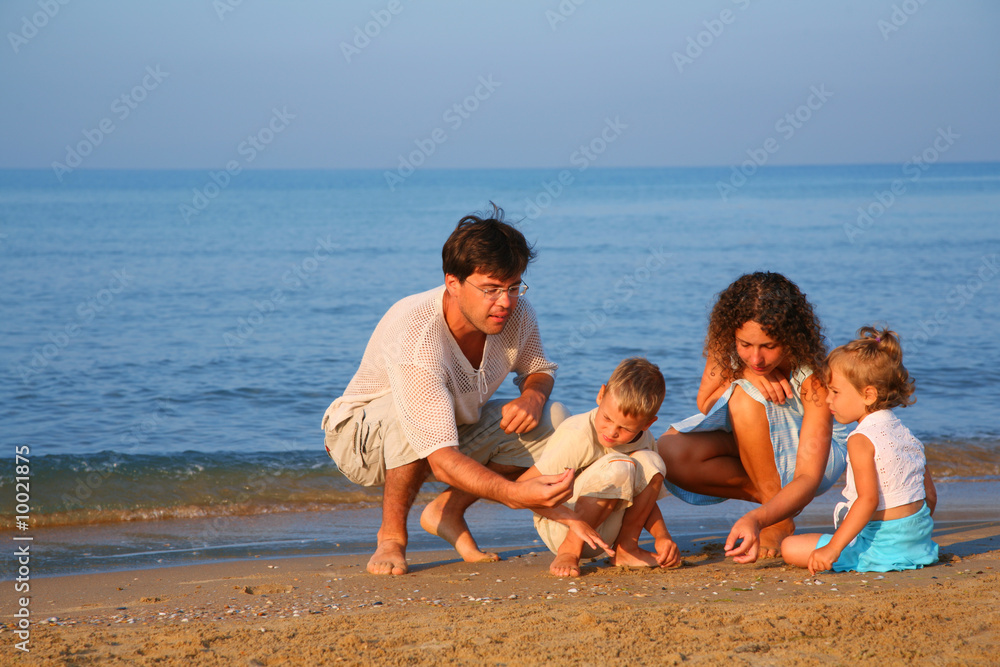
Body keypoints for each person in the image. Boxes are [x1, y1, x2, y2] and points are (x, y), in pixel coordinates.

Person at [322, 205, 602, 575]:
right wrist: (515, 495)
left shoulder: (516, 313)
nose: (505, 301)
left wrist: (533, 395)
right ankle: (391, 539)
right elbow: (440, 457)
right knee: (405, 412)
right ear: (453, 283)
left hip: (448, 425)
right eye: (491, 289)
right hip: (361, 441)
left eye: (514, 286)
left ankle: (447, 511)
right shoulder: (418, 335)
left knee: (552, 417)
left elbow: (538, 369)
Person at [657, 271, 848, 563]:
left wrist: (745, 388)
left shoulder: (812, 378)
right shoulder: (727, 343)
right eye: (745, 345)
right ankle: (773, 506)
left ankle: (775, 517)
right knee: (669, 452)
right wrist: (744, 375)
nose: (756, 359)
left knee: (744, 398)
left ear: (791, 337)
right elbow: (706, 402)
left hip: (815, 456)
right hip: (753, 438)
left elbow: (809, 476)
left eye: (769, 347)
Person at [781, 326, 939, 574]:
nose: (828, 400)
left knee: (790, 546)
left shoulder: (861, 439)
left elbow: (868, 501)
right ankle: (906, 548)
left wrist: (833, 549)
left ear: (868, 395)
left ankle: (862, 552)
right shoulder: (908, 435)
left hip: (881, 548)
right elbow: (929, 496)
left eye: (835, 392)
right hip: (919, 544)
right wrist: (911, 535)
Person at [519, 358, 680, 577]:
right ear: (601, 395)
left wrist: (662, 536)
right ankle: (569, 551)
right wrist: (574, 523)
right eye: (606, 418)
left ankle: (626, 549)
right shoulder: (577, 435)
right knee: (620, 467)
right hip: (562, 525)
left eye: (624, 428)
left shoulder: (645, 439)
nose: (612, 432)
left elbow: (645, 496)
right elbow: (521, 490)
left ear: (647, 424)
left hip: (605, 530)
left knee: (652, 461)